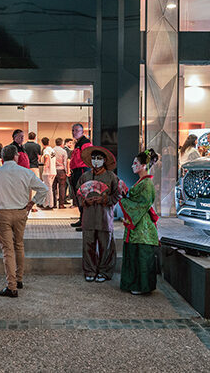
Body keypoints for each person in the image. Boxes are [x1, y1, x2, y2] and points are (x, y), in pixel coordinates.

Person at [0, 145, 49, 297]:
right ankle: (19, 279)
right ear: (16, 156)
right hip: (21, 212)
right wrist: (32, 202)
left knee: (7, 250)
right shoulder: (26, 172)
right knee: (19, 245)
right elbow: (44, 189)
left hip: (2, 214)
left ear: (2, 158)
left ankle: (11, 286)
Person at [120, 149, 161, 295]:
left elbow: (143, 204)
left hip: (142, 224)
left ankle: (141, 286)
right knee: (136, 254)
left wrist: (124, 200)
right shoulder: (142, 182)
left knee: (141, 256)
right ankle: (134, 284)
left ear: (144, 165)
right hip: (138, 221)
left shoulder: (146, 183)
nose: (133, 165)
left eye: (135, 163)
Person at [76, 146, 119, 282]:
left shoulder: (111, 177)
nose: (96, 161)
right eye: (93, 158)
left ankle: (105, 272)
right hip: (88, 216)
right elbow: (78, 193)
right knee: (88, 244)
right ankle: (90, 270)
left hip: (104, 216)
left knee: (106, 245)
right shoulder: (85, 176)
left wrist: (105, 199)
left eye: (99, 158)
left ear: (104, 160)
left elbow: (117, 195)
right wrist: (84, 201)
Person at [68, 123, 93, 229]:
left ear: (82, 132)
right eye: (73, 130)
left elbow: (88, 158)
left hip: (82, 172)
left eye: (77, 130)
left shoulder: (85, 143)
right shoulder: (78, 143)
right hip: (77, 172)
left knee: (83, 196)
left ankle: (85, 222)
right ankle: (82, 219)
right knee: (79, 197)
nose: (74, 133)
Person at [39, 137, 56, 209]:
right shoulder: (52, 150)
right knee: (49, 188)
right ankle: (46, 204)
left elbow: (47, 157)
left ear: (42, 143)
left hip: (48, 172)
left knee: (48, 189)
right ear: (48, 142)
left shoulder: (46, 150)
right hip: (53, 171)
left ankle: (50, 205)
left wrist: (45, 165)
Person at [53, 138, 70, 208]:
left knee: (53, 188)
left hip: (54, 170)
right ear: (62, 143)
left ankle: (53, 203)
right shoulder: (63, 151)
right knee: (62, 187)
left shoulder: (52, 150)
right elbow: (65, 162)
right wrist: (67, 171)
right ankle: (61, 204)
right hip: (61, 170)